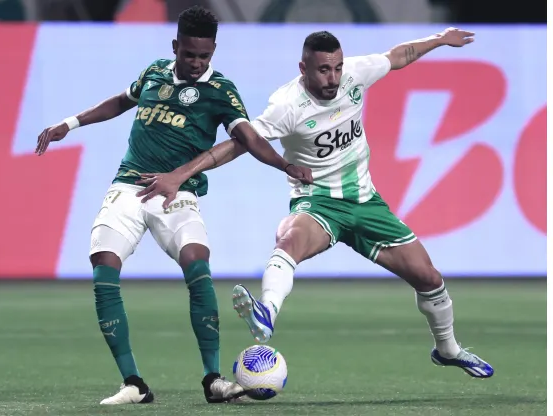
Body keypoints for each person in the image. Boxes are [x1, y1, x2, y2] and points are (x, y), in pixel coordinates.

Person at [135, 28, 495, 379]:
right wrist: (181, 173)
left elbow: (398, 56)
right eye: (324, 69)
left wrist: (438, 40)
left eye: (337, 67)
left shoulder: (354, 75)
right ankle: (267, 312)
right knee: (289, 240)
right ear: (303, 68)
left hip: (365, 201)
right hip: (318, 201)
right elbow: (238, 143)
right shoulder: (287, 105)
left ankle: (446, 350)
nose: (333, 77)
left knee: (429, 278)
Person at [34, 6, 313, 405]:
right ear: (175, 46)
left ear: (213, 50)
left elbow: (248, 138)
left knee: (197, 263)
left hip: (178, 194)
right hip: (129, 187)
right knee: (103, 266)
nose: (197, 63)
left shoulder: (221, 91)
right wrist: (71, 123)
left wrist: (285, 164)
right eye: (190, 55)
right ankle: (134, 383)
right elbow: (120, 101)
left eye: (205, 56)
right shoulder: (155, 72)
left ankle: (213, 380)